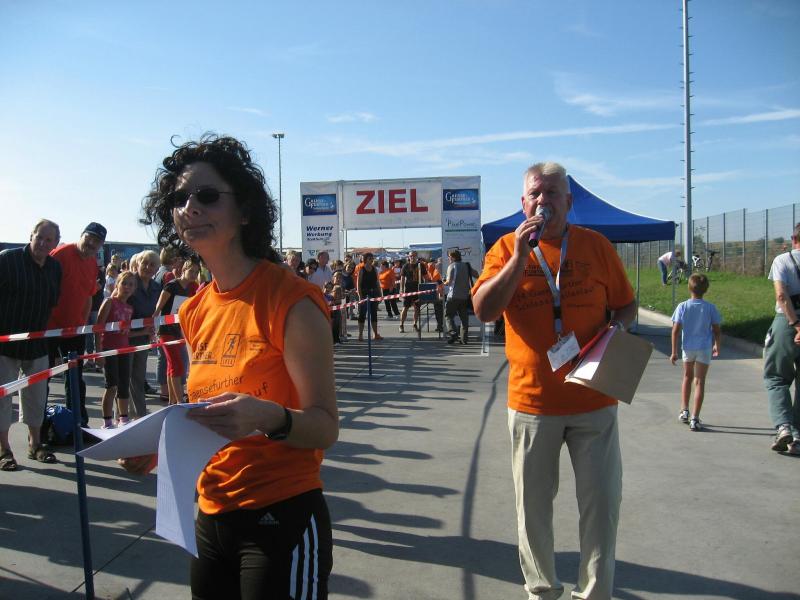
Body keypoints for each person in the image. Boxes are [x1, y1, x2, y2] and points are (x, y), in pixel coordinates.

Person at [136, 134, 337, 598]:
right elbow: (207, 413)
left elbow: (325, 427)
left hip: (282, 512)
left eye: (207, 196)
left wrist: (267, 417)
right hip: (210, 514)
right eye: (179, 199)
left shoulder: (291, 300)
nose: (190, 207)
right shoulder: (194, 309)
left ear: (244, 211)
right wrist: (159, 449)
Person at [472, 162, 637, 600]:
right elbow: (484, 311)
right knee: (533, 512)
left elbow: (626, 304)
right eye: (535, 194)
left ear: (568, 201)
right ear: (523, 203)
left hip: (594, 399)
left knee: (602, 506)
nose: (543, 201)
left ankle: (595, 593)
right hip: (532, 404)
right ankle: (542, 591)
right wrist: (519, 258)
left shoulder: (596, 246)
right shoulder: (504, 248)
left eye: (552, 193)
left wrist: (616, 332)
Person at [0, 219, 62, 470]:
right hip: (5, 345)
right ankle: (4, 449)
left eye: (49, 240)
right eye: (40, 238)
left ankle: (35, 444)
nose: (43, 244)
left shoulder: (55, 268)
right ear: (31, 236)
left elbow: (52, 305)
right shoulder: (7, 260)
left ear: (56, 243)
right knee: (3, 398)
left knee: (37, 397)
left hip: (37, 345)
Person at [47, 221, 107, 427]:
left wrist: (83, 323)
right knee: (43, 378)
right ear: (81, 235)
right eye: (89, 237)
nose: (91, 243)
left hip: (75, 330)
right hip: (49, 329)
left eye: (97, 241)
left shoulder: (92, 264)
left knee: (75, 377)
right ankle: (42, 427)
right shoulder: (60, 255)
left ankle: (78, 423)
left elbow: (89, 295)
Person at [763, 224, 800, 455]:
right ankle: (797, 436)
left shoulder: (783, 260)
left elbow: (781, 295)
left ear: (794, 238)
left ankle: (784, 426)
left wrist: (796, 325)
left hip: (787, 323)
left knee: (776, 377)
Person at [670, 273, 722, 431]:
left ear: (689, 288)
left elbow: (675, 330)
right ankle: (695, 417)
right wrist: (717, 345)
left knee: (687, 377)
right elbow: (716, 330)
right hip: (704, 348)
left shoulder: (682, 306)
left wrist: (673, 351)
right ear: (706, 289)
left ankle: (684, 410)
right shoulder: (710, 308)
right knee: (699, 381)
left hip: (688, 347)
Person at [153, 259, 200, 405]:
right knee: (176, 364)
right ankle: (179, 400)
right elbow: (158, 307)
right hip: (165, 330)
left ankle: (172, 400)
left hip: (179, 330)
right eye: (191, 271)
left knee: (171, 365)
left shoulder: (192, 287)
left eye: (196, 272)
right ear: (184, 270)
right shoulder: (172, 285)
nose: (194, 274)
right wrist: (153, 328)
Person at [95, 270, 136, 428]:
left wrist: (145, 331)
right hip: (109, 349)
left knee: (124, 385)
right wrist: (98, 353)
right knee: (111, 385)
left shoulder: (129, 308)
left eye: (131, 285)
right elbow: (98, 328)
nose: (127, 287)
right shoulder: (109, 302)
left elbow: (126, 333)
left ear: (134, 289)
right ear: (117, 284)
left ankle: (123, 418)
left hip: (124, 350)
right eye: (124, 283)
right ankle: (107, 421)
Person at [127, 249, 162, 418]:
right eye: (145, 263)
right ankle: (123, 416)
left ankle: (139, 415)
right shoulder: (129, 281)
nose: (148, 267)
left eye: (152, 265)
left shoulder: (156, 287)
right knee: (124, 379)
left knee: (138, 378)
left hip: (143, 337)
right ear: (138, 263)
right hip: (126, 337)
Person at [442, 250, 479, 345]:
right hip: (464, 296)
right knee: (464, 318)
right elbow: (476, 275)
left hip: (453, 296)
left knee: (448, 316)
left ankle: (453, 333)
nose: (448, 258)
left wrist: (443, 282)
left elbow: (449, 282)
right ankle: (464, 339)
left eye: (449, 256)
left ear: (453, 257)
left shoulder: (452, 266)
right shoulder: (466, 265)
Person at [356, 253, 382, 341]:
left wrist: (380, 293)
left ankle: (375, 334)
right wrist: (360, 296)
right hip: (364, 294)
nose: (371, 260)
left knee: (374, 314)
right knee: (362, 314)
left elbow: (377, 282)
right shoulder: (362, 270)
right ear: (365, 259)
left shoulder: (374, 269)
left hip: (374, 293)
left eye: (372, 258)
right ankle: (360, 335)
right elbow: (358, 284)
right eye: (370, 258)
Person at [399, 251, 426, 333]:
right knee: (405, 308)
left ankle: (415, 324)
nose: (412, 257)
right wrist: (401, 290)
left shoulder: (421, 265)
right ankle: (401, 325)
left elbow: (425, 277)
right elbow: (402, 278)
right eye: (411, 256)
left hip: (418, 290)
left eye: (414, 256)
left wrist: (426, 288)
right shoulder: (405, 266)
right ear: (409, 257)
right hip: (408, 290)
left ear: (416, 256)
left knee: (417, 308)